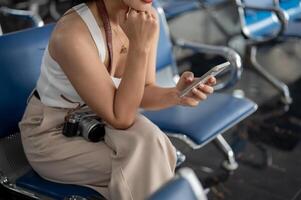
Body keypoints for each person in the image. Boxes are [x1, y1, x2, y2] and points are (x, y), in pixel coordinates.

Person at [18, 0, 216, 199]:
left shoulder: (145, 17)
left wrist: (176, 94)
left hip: (100, 121)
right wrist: (139, 46)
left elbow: (143, 90)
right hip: (53, 133)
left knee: (151, 139)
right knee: (148, 164)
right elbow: (121, 118)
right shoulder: (72, 34)